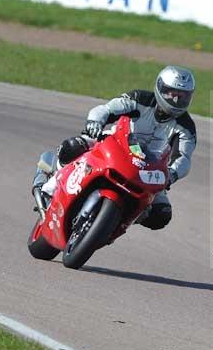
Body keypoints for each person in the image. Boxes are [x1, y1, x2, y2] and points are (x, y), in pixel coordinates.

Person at [33, 65, 197, 230]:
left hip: (149, 169)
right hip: (115, 145)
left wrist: (172, 174)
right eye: (172, 94)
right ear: (160, 88)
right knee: (73, 146)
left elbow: (183, 157)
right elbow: (107, 109)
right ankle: (50, 187)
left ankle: (118, 222)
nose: (176, 100)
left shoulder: (186, 127)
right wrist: (95, 122)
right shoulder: (139, 99)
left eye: (182, 97)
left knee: (161, 215)